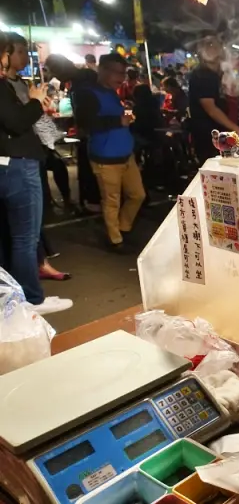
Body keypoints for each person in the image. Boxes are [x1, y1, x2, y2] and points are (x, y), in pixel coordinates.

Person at [0, 33, 72, 314]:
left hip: (9, 165)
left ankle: (16, 298)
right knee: (24, 239)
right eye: (9, 53)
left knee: (10, 238)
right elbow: (16, 122)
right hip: (17, 167)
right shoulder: (3, 87)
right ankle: (30, 300)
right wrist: (35, 101)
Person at [73, 53, 146, 252]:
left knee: (137, 194)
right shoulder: (87, 93)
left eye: (123, 73)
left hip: (125, 154)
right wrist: (117, 121)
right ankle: (115, 239)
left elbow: (122, 118)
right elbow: (85, 124)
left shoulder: (114, 93)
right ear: (103, 70)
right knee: (111, 200)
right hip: (105, 157)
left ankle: (122, 227)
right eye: (117, 73)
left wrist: (128, 113)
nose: (121, 78)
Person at [45, 54, 101, 212]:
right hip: (88, 130)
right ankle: (90, 200)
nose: (55, 76)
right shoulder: (78, 80)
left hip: (95, 130)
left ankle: (94, 200)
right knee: (86, 166)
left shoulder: (86, 79)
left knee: (91, 167)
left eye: (55, 71)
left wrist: (83, 129)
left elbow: (89, 108)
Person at [189, 36, 239, 164]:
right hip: (210, 137)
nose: (214, 48)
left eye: (215, 44)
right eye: (209, 45)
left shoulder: (215, 74)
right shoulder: (203, 75)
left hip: (220, 135)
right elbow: (211, 109)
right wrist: (236, 129)